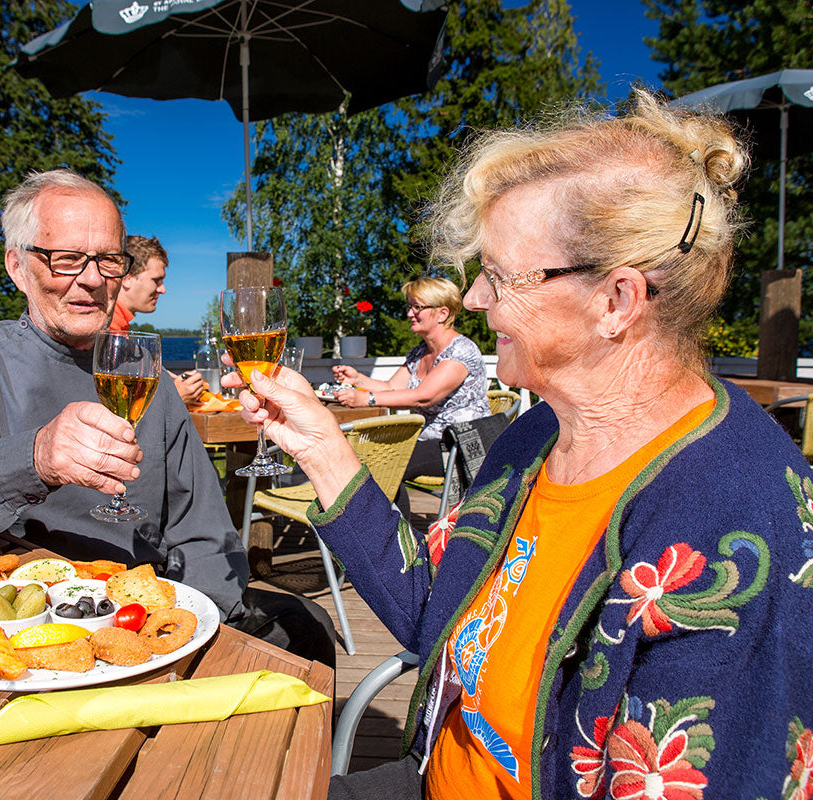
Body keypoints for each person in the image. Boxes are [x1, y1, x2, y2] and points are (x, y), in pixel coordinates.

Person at [224, 92, 813, 798]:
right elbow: (432, 609)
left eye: (501, 277)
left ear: (616, 301)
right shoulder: (535, 437)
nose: (475, 300)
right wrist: (320, 444)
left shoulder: (736, 511)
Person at [0, 168, 335, 668]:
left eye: (108, 260)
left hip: (145, 622)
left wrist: (199, 630)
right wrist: (32, 459)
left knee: (307, 630)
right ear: (17, 267)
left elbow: (203, 527)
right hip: (29, 640)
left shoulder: (146, 377)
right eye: (66, 259)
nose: (93, 278)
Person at [333, 277, 490, 485]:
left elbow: (423, 397)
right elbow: (391, 387)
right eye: (409, 307)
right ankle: (391, 517)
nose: (409, 314)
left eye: (417, 307)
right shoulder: (418, 353)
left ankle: (389, 518)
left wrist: (367, 399)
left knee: (384, 465)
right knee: (373, 459)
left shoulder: (461, 351)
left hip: (461, 443)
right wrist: (357, 379)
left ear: (442, 313)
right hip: (429, 440)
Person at [110, 234, 207, 405]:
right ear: (127, 278)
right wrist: (174, 395)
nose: (162, 289)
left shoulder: (119, 327)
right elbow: (114, 405)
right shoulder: (106, 331)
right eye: (156, 280)